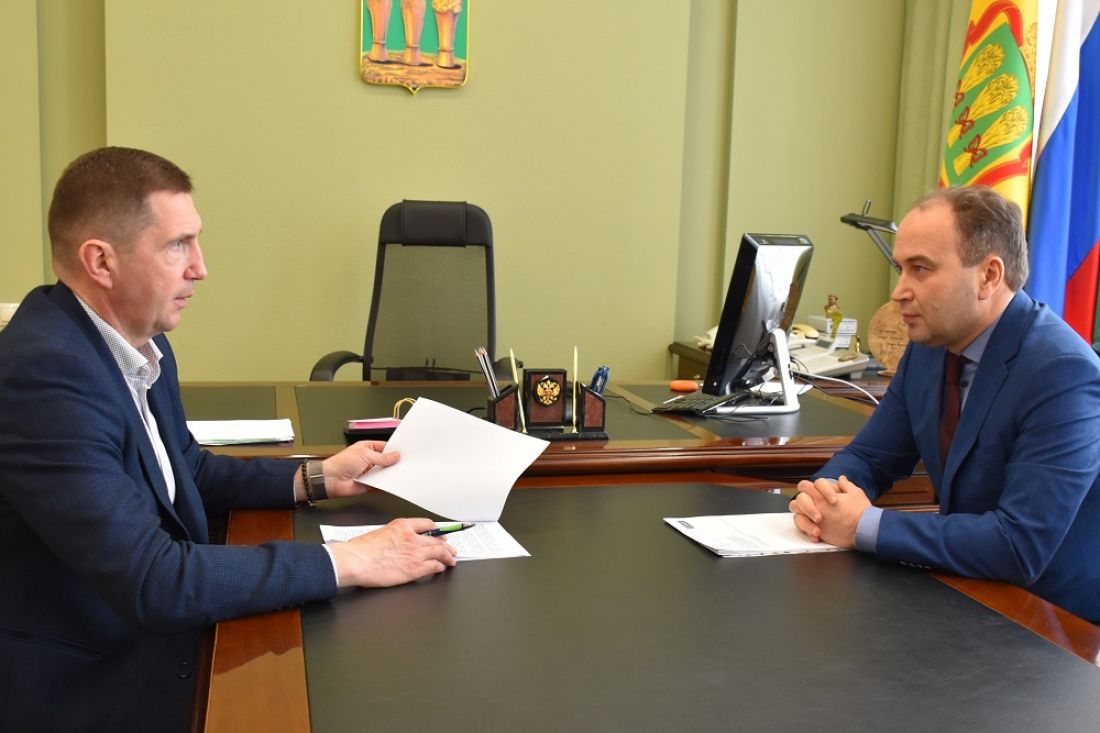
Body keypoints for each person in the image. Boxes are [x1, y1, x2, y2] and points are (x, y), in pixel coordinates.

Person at [0, 147, 458, 732]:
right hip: (92, 686)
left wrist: (315, 477)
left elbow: (184, 469)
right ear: (101, 261)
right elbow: (153, 579)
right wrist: (352, 559)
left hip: (151, 640)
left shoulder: (135, 341)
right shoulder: (45, 376)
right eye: (178, 245)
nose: (200, 268)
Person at [789, 185, 1100, 624]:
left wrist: (862, 525)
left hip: (1053, 623)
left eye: (920, 269)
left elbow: (1019, 544)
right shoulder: (930, 348)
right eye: (901, 269)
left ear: (989, 276)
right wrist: (821, 500)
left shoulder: (1063, 371)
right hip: (966, 593)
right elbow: (871, 457)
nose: (899, 292)